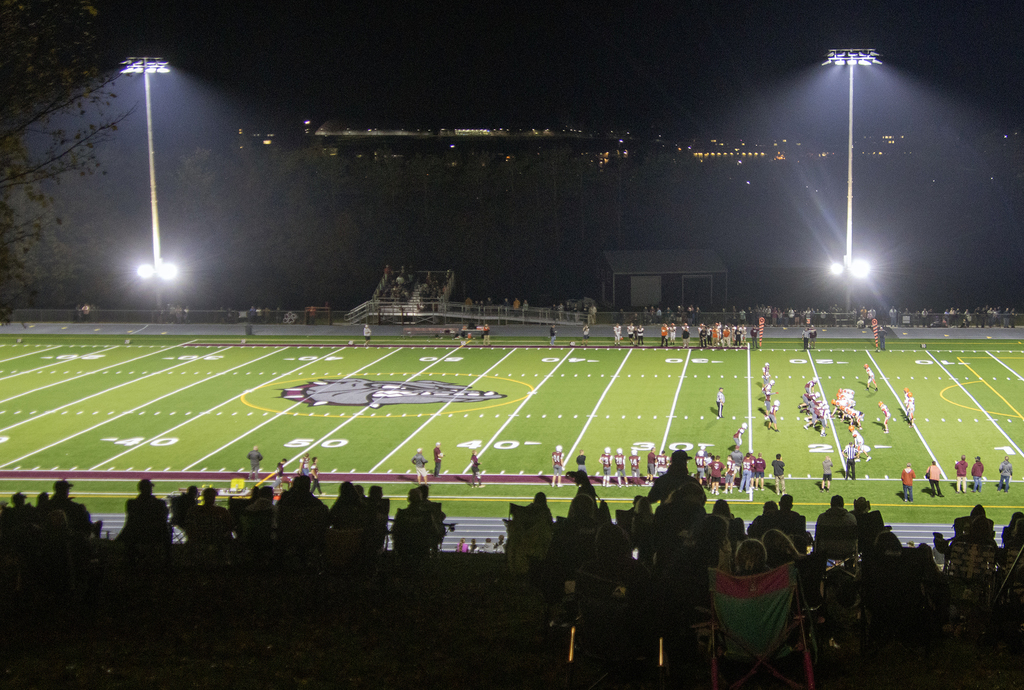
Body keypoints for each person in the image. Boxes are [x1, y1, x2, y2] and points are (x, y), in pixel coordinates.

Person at [117, 479, 171, 565]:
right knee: (167, 528)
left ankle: (130, 561)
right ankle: (168, 560)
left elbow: (130, 520)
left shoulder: (131, 503)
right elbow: (164, 518)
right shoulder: (159, 504)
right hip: (155, 536)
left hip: (135, 536)